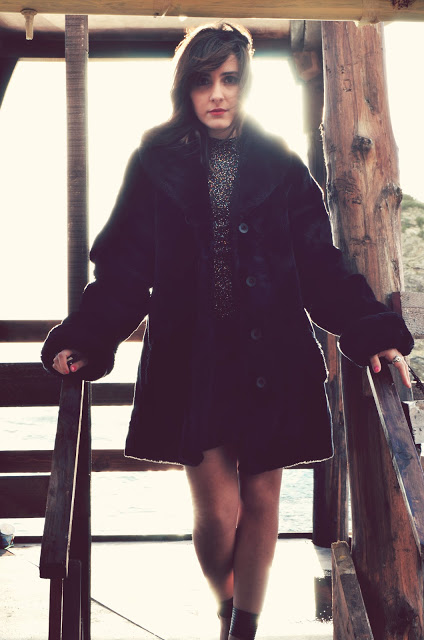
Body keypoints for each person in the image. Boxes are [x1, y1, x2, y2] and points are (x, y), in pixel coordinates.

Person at [41, 22, 414, 640]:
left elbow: (320, 268)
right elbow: (125, 269)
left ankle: (242, 629)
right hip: (193, 364)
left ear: (247, 84)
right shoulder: (154, 162)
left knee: (262, 502)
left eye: (230, 79)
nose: (217, 93)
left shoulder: (282, 166)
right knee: (218, 512)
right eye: (203, 81)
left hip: (275, 360)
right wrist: (86, 335)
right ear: (185, 88)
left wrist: (373, 330)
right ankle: (227, 604)